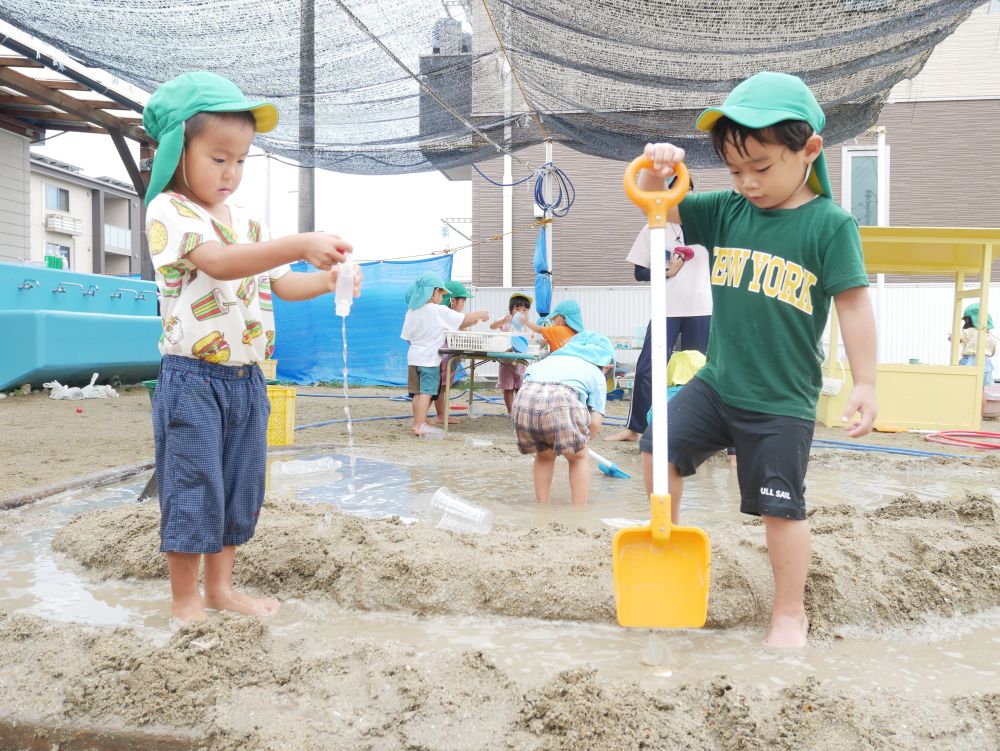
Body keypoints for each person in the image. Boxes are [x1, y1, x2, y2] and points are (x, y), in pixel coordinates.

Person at [637, 71, 877, 648]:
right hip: (720, 383)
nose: (747, 183)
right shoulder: (725, 213)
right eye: (736, 170)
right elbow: (656, 200)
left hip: (781, 403)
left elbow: (853, 305)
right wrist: (658, 166)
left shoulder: (830, 225)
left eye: (762, 168)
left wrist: (866, 382)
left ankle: (789, 611)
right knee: (656, 445)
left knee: (781, 510)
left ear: (809, 150)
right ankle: (672, 543)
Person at [143, 71, 361, 625]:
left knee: (240, 487)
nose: (231, 173)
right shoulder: (169, 210)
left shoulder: (246, 221)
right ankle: (185, 600)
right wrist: (296, 242)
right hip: (192, 378)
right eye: (218, 158)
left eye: (240, 160)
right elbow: (218, 263)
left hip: (247, 378)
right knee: (195, 485)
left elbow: (279, 285)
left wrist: (331, 279)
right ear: (177, 151)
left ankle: (221, 589)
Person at [606, 189, 712, 442]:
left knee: (702, 371)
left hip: (703, 308)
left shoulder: (709, 228)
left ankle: (700, 431)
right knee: (647, 370)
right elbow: (639, 273)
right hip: (667, 309)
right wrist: (668, 270)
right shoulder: (654, 228)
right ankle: (636, 428)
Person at [512, 331, 616, 504]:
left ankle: (542, 505)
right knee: (578, 456)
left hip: (524, 398)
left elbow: (529, 382)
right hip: (562, 398)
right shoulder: (596, 374)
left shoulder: (547, 361)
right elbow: (595, 421)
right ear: (607, 367)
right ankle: (579, 510)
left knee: (544, 454)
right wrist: (582, 442)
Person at [401, 273, 488, 436]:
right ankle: (419, 426)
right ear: (434, 292)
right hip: (429, 360)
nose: (443, 297)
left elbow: (407, 338)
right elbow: (464, 320)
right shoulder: (437, 310)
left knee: (417, 393)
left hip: (413, 358)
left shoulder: (411, 312)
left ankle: (419, 421)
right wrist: (481, 314)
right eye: (441, 293)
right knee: (427, 393)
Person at [432, 280, 474, 424]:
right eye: (463, 301)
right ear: (453, 300)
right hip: (444, 357)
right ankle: (441, 415)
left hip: (449, 356)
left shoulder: (449, 315)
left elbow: (464, 331)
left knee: (443, 387)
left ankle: (442, 414)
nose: (463, 305)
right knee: (441, 387)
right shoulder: (446, 314)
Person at [490, 293, 533, 413]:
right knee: (508, 387)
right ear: (511, 310)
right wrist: (503, 320)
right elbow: (492, 326)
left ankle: (520, 411)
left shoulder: (526, 325)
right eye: (517, 309)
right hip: (506, 361)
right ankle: (510, 411)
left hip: (521, 361)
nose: (521, 312)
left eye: (525, 310)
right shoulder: (507, 321)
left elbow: (531, 338)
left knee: (521, 387)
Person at [958, 303, 997, 386]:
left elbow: (958, 340)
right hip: (986, 364)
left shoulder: (968, 331)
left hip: (970, 362)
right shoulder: (989, 335)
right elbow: (992, 353)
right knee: (980, 390)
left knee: (966, 387)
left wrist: (952, 338)